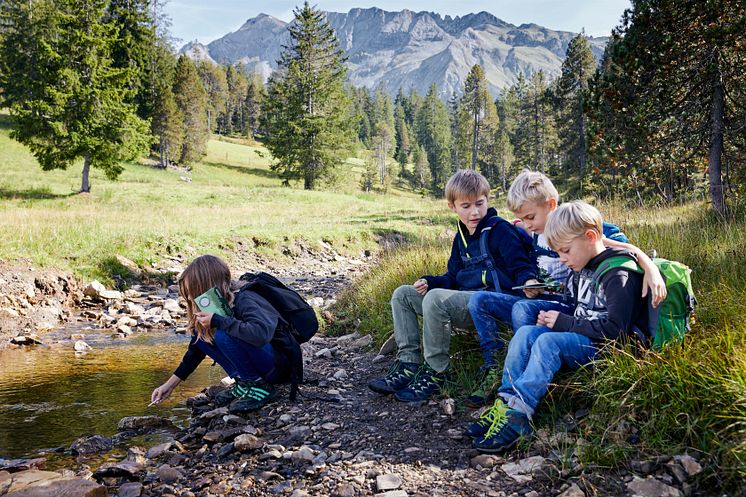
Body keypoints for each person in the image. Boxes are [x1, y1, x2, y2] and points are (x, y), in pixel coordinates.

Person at [465, 171, 667, 407]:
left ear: (550, 205)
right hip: (571, 304)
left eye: (531, 217)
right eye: (524, 219)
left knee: (526, 316)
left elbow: (620, 249)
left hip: (582, 313)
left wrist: (650, 267)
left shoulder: (578, 228)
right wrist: (531, 279)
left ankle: (535, 379)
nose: (528, 224)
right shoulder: (537, 233)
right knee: (503, 311)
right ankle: (508, 389)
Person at [468, 200, 651, 453]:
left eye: (565, 251)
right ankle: (505, 401)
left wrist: (563, 323)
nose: (563, 259)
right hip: (582, 337)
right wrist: (553, 317)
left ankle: (520, 414)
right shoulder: (582, 265)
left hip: (604, 347)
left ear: (590, 237)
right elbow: (579, 308)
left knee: (547, 341)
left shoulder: (616, 274)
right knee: (526, 333)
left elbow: (616, 331)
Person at [368, 169, 538, 402]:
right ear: (453, 207)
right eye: (466, 206)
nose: (475, 211)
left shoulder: (500, 230)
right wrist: (430, 281)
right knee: (403, 295)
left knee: (436, 298)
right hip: (465, 302)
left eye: (479, 203)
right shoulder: (461, 237)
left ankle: (437, 371)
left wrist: (528, 280)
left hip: (493, 307)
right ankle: (408, 363)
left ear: (488, 200)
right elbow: (453, 277)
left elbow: (520, 265)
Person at [150, 255, 291, 413]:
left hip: (278, 366)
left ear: (208, 286)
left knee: (223, 334)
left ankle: (258, 386)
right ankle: (243, 383)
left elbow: (260, 334)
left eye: (192, 292)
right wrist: (169, 386)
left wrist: (219, 321)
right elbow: (196, 351)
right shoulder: (217, 305)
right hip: (263, 362)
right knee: (200, 335)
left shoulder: (245, 298)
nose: (189, 298)